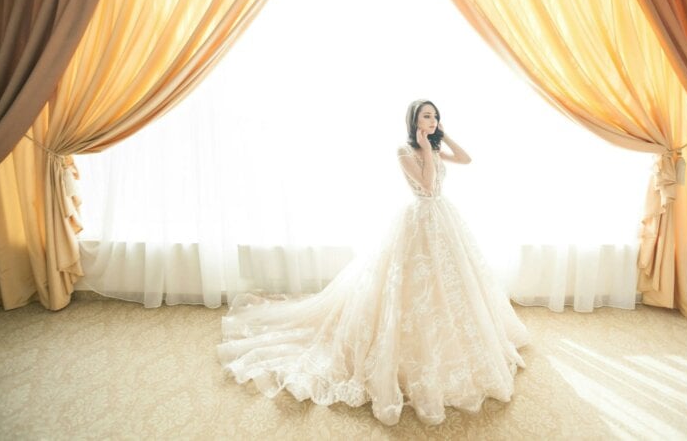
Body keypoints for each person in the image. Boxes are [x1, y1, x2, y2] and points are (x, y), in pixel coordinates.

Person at [217, 99, 529, 426]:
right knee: (411, 285)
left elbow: (466, 158)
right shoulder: (404, 151)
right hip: (419, 218)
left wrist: (443, 137)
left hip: (444, 219)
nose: (432, 119)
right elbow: (425, 184)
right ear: (414, 120)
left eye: (435, 115)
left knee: (451, 281)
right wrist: (425, 148)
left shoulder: (434, 147)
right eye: (426, 115)